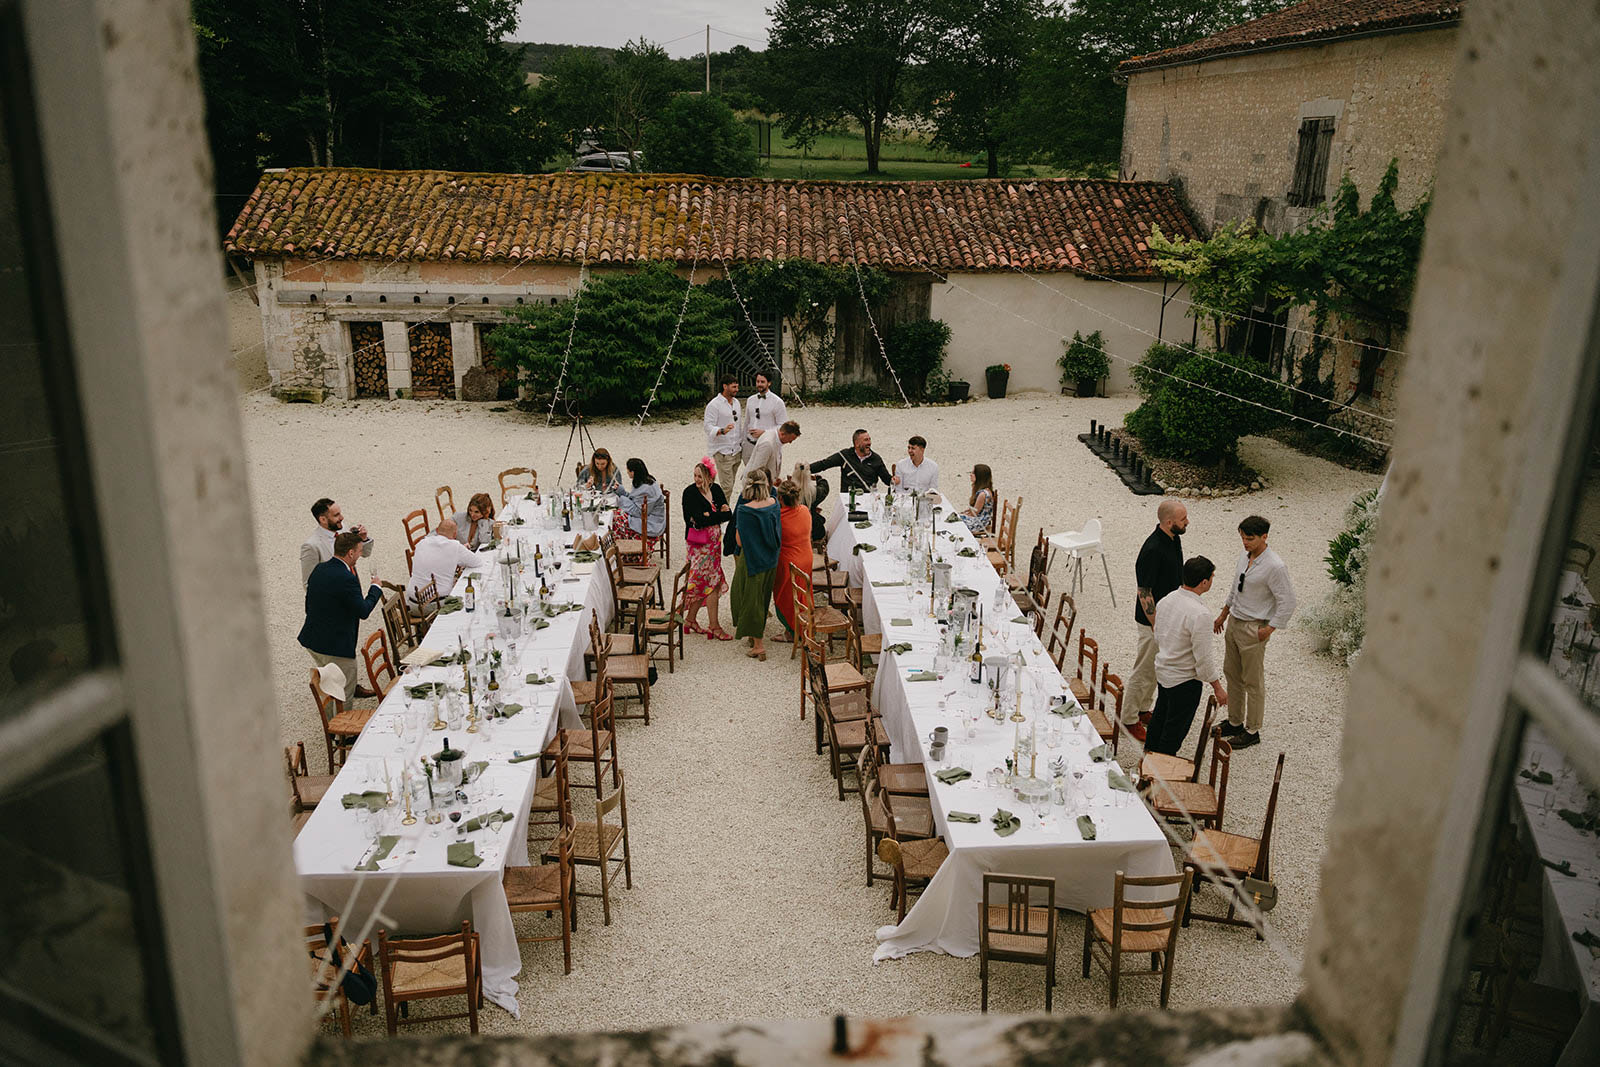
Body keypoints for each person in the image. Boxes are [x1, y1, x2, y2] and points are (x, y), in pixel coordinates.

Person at [1213, 515, 1297, 749]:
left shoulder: (1275, 566)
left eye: (1249, 538)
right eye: (1242, 537)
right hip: (1235, 622)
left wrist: (1268, 629)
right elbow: (1235, 587)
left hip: (1254, 627)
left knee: (1253, 681)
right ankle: (1235, 720)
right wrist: (1223, 614)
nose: (1245, 542)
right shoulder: (1244, 556)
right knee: (1232, 673)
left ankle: (1252, 729)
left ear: (1264, 537)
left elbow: (1288, 601)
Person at [1148, 556, 1228, 756]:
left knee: (1159, 717)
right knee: (1174, 730)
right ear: (1204, 582)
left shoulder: (1166, 600)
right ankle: (1162, 772)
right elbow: (1204, 657)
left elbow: (1158, 635)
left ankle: (1148, 759)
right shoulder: (1200, 614)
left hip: (1164, 670)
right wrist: (1218, 688)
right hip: (1184, 680)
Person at [1126, 499, 1189, 743]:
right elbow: (1144, 591)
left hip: (1166, 617)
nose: (1187, 522)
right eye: (1183, 519)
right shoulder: (1152, 549)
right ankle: (1129, 717)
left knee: (1155, 667)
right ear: (1169, 522)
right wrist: (1155, 623)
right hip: (1151, 621)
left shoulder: (1175, 538)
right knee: (1143, 669)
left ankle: (1144, 707)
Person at [298, 530, 383, 701]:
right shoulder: (346, 578)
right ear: (351, 553)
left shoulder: (319, 569)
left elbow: (309, 604)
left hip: (313, 639)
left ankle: (331, 717)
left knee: (328, 685)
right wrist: (376, 589)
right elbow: (363, 611)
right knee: (343, 692)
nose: (360, 555)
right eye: (359, 551)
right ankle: (340, 723)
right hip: (336, 646)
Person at [728, 469, 781, 660]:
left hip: (751, 560)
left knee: (748, 598)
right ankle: (752, 634)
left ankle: (758, 644)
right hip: (770, 558)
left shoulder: (745, 510)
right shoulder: (774, 504)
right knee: (762, 596)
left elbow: (740, 541)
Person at [682, 457, 735, 641]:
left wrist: (710, 515)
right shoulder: (689, 493)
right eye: (695, 475)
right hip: (698, 546)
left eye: (700, 476)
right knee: (706, 581)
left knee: (708, 581)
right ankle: (714, 626)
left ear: (709, 477)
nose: (697, 479)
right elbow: (696, 519)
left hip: (713, 545)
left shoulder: (716, 489)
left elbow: (729, 514)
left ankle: (691, 620)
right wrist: (717, 514)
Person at [771, 477, 816, 642]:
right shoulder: (805, 510)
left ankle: (792, 631)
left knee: (787, 597)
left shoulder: (778, 518)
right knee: (804, 592)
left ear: (780, 498)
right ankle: (804, 625)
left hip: (789, 561)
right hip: (806, 556)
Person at [406, 517, 480, 608]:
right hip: (435, 603)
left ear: (437, 530)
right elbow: (477, 562)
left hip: (411, 603)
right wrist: (461, 551)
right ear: (455, 534)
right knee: (470, 596)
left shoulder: (422, 543)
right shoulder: (455, 546)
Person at [300, 497, 372, 586]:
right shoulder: (311, 546)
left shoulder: (343, 528)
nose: (342, 517)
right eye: (336, 515)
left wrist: (363, 539)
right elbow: (309, 583)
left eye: (340, 513)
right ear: (323, 519)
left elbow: (364, 553)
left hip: (353, 587)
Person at [613, 458, 667, 559]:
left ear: (633, 472)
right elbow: (636, 500)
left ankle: (625, 552)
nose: (627, 473)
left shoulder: (646, 489)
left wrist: (622, 498)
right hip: (651, 516)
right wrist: (623, 493)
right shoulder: (647, 480)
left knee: (617, 518)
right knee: (618, 514)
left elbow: (638, 511)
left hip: (652, 522)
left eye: (628, 470)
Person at [810, 429, 892, 495]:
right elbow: (824, 464)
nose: (869, 443)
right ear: (857, 443)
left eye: (869, 439)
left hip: (868, 498)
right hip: (848, 498)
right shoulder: (845, 455)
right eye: (866, 440)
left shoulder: (876, 459)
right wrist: (805, 468)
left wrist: (894, 480)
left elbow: (887, 480)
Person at [704, 374, 743, 497]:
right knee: (727, 486)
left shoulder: (736, 403)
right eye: (733, 387)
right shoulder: (714, 405)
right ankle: (723, 513)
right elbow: (707, 426)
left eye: (737, 387)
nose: (736, 389)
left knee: (730, 484)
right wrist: (721, 431)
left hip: (736, 451)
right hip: (723, 451)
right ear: (724, 386)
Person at [741, 419, 801, 495]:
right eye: (790, 439)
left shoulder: (776, 437)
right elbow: (757, 470)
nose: (790, 442)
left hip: (766, 484)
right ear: (782, 434)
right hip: (755, 487)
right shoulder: (767, 444)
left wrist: (774, 478)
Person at [742, 371, 788, 462]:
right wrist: (743, 442)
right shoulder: (750, 400)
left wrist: (765, 432)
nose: (759, 384)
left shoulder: (777, 402)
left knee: (767, 475)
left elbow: (783, 426)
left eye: (762, 382)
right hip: (749, 445)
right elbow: (746, 422)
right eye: (757, 381)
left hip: (767, 445)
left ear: (769, 383)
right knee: (749, 475)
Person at [960, 465, 997, 536]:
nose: (970, 475)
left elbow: (974, 513)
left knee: (955, 522)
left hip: (979, 523)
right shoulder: (985, 490)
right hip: (981, 520)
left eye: (973, 473)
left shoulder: (982, 494)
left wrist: (962, 515)